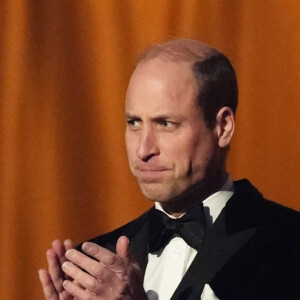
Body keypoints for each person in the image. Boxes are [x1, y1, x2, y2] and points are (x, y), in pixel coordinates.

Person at [38, 39, 300, 300]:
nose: (143, 150)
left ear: (223, 127)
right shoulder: (93, 266)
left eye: (165, 124)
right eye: (134, 123)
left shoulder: (289, 244)